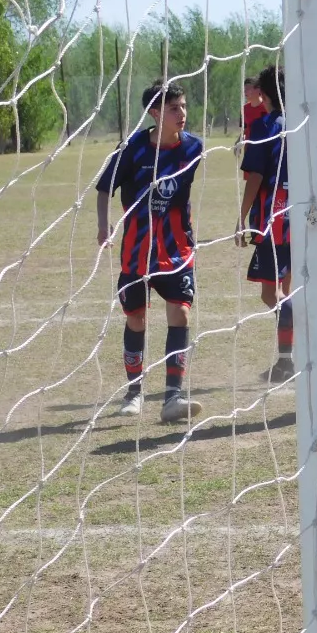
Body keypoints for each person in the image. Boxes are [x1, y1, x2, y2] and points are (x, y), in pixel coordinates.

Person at [96, 79, 204, 423]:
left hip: (177, 251)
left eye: (184, 106)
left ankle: (172, 397)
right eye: (174, 108)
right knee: (136, 319)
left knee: (181, 315)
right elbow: (103, 189)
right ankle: (134, 392)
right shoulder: (131, 149)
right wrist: (104, 225)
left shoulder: (195, 148)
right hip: (137, 253)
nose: (182, 113)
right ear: (155, 113)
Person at [237, 64, 295, 382]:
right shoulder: (298, 125)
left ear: (265, 93)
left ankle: (288, 358)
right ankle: (288, 358)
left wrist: (241, 216)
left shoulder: (264, 127)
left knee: (271, 294)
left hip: (273, 220)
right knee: (287, 289)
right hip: (298, 218)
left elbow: (256, 176)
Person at [233, 76, 266, 159]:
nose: (245, 92)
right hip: (249, 148)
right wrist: (238, 141)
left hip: (265, 148)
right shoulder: (244, 109)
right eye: (244, 89)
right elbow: (245, 129)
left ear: (258, 89)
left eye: (248, 89)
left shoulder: (267, 107)